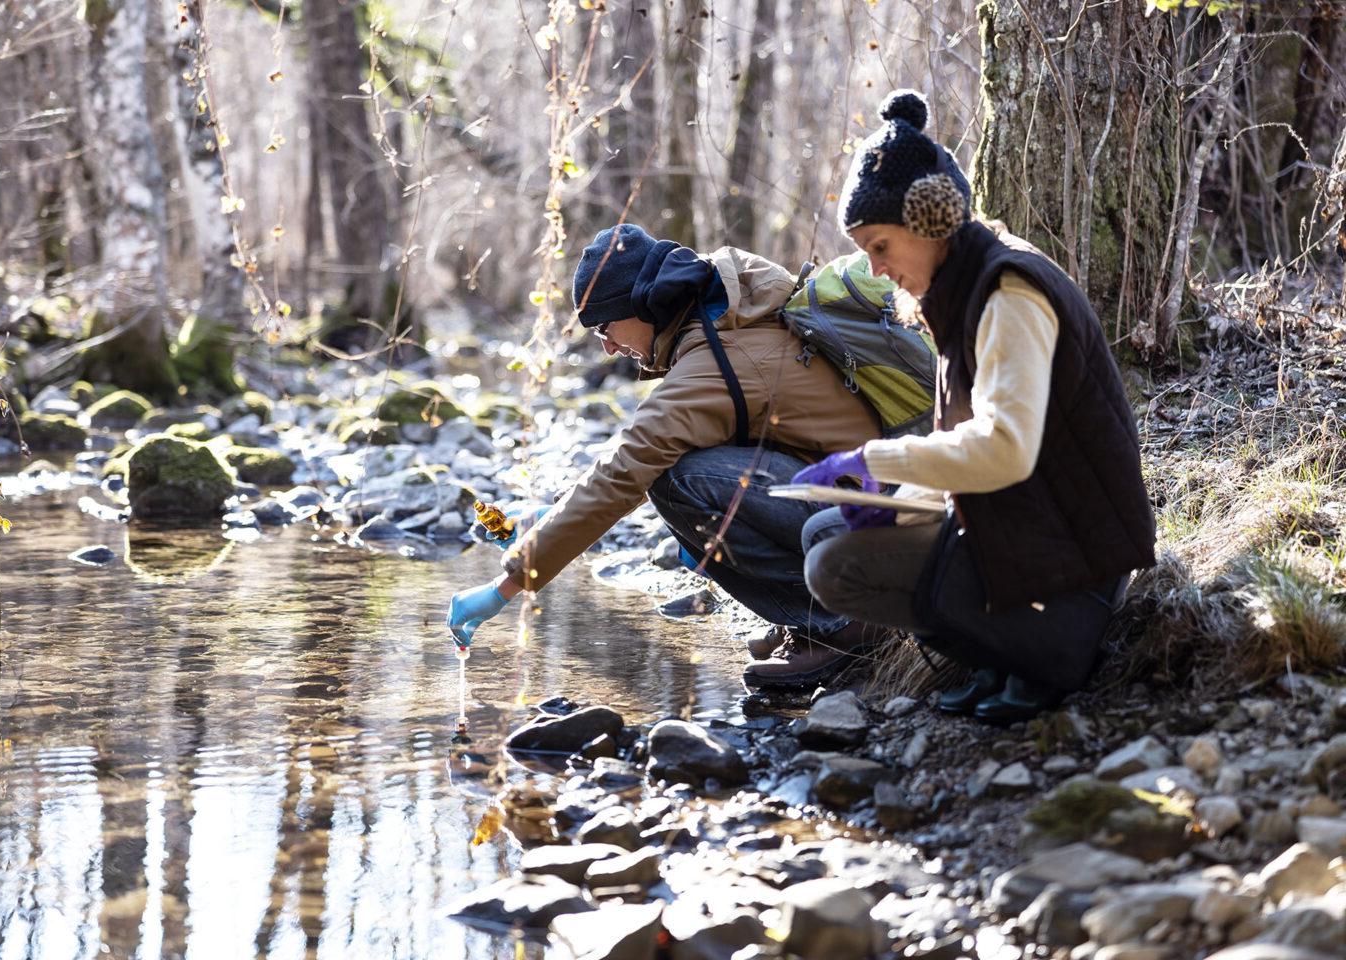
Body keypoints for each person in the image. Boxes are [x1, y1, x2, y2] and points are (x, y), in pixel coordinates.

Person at [795, 89, 1156, 723]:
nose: (875, 270)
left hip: (1075, 560)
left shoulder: (1008, 293)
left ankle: (1041, 651)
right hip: (1023, 526)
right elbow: (969, 451)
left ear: (930, 220)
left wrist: (878, 459)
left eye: (879, 246)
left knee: (834, 566)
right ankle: (994, 650)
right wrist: (890, 503)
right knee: (823, 529)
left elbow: (1004, 451)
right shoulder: (959, 294)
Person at [447, 223, 892, 688]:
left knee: (675, 482)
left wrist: (503, 588)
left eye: (606, 327)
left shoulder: (719, 359)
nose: (608, 346)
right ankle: (808, 617)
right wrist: (543, 517)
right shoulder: (728, 320)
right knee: (683, 503)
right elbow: (640, 454)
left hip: (871, 523)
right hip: (865, 502)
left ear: (645, 304)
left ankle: (841, 624)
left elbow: (627, 470)